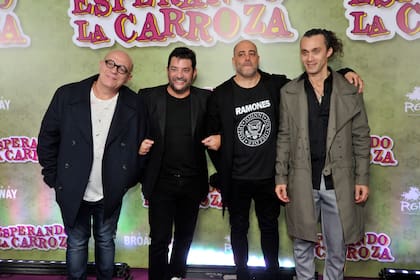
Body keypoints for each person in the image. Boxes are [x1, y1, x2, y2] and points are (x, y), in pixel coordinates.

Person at [206, 39, 364, 280]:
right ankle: (242, 274)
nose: (246, 58)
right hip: (236, 177)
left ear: (258, 58)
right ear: (234, 60)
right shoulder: (220, 94)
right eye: (241, 54)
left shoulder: (276, 85)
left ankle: (271, 273)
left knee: (270, 229)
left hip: (269, 176)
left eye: (251, 53)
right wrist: (220, 142)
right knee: (238, 229)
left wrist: (344, 72)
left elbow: (313, 80)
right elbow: (211, 134)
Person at [37, 50, 146, 280]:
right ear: (101, 64)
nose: (114, 71)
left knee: (106, 240)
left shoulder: (135, 105)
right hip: (73, 187)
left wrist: (126, 180)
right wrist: (53, 177)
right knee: (76, 241)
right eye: (111, 63)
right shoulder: (67, 95)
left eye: (122, 68)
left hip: (110, 189)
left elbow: (142, 147)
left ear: (128, 77)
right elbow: (48, 138)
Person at [275, 29, 370, 280]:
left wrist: (362, 179)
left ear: (328, 52)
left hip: (338, 181)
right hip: (301, 179)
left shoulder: (349, 89)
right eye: (304, 52)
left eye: (315, 51)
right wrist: (280, 178)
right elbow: (284, 136)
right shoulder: (289, 92)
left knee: (337, 247)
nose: (309, 58)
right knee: (302, 244)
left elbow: (361, 137)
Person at [138, 47, 218, 280]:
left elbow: (219, 128)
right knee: (160, 239)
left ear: (194, 73)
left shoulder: (206, 99)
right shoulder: (148, 97)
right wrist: (137, 145)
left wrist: (220, 137)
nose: (179, 75)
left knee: (184, 237)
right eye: (174, 69)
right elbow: (130, 128)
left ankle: (176, 276)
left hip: (192, 183)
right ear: (167, 71)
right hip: (160, 182)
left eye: (185, 70)